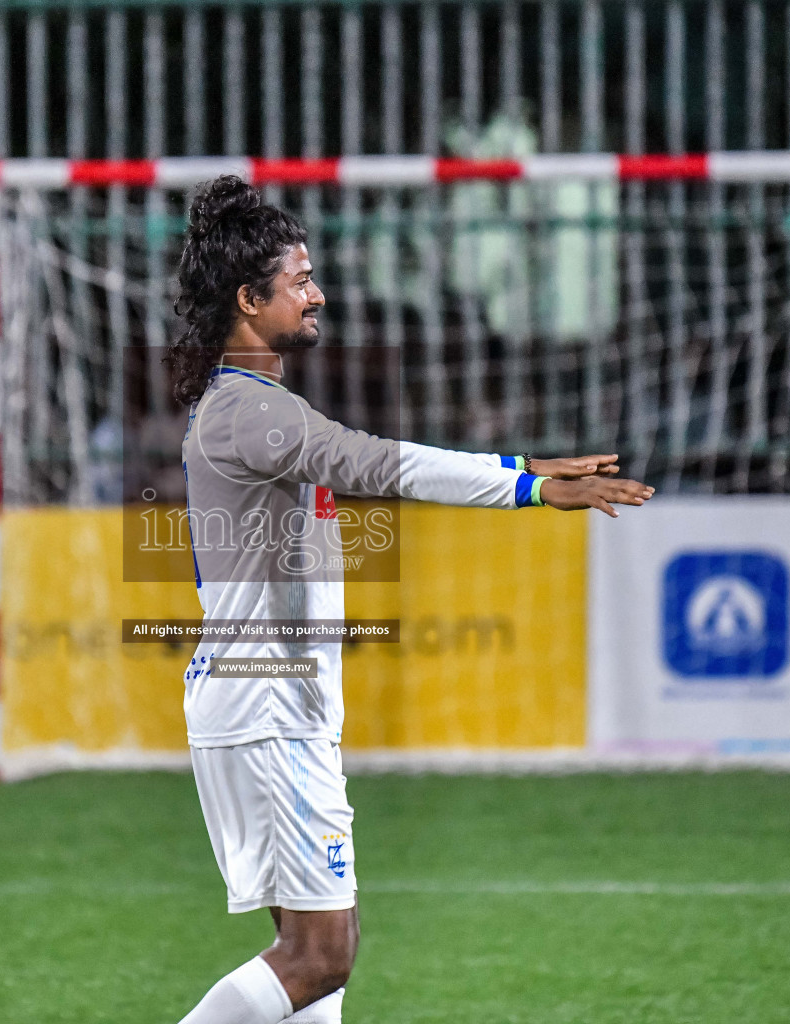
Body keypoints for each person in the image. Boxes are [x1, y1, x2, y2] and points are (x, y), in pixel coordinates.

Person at [167, 177, 653, 1024]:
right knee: (323, 955)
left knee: (317, 956)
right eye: (300, 280)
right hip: (268, 703)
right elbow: (378, 463)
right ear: (250, 299)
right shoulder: (247, 410)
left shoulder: (253, 402)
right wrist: (528, 485)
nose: (317, 294)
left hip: (276, 698)